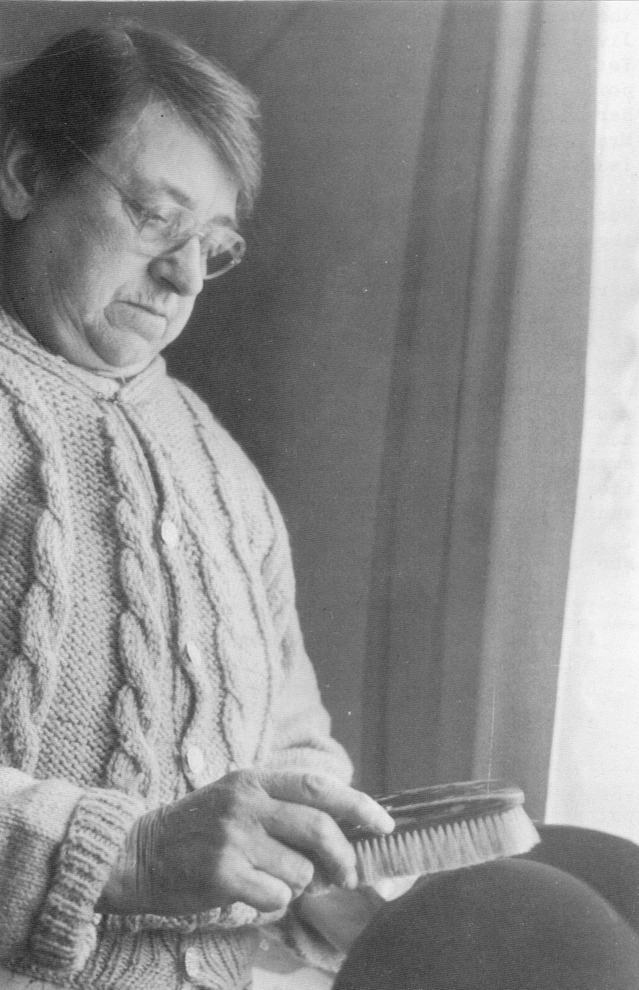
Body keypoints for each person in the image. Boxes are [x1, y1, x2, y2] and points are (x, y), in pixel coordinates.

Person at [0, 23, 394, 990]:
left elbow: (292, 737)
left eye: (211, 245)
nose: (183, 275)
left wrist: (327, 862)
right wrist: (128, 855)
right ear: (25, 174)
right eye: (153, 217)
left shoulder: (220, 463)